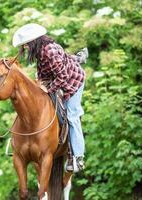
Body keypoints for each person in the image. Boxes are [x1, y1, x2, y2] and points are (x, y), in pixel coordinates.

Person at [12, 23, 88, 172]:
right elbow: (41, 71)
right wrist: (39, 84)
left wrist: (48, 88)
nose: (25, 47)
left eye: (26, 44)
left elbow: (63, 76)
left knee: (72, 114)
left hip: (73, 80)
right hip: (56, 79)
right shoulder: (40, 51)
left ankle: (78, 157)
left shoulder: (50, 51)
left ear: (33, 42)